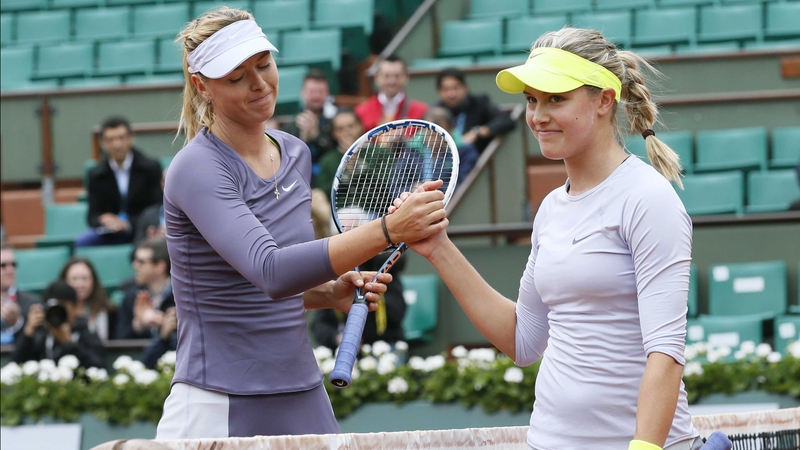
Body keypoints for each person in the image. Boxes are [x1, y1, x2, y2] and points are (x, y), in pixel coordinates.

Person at [393, 28, 700, 450]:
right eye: (531, 100)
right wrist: (438, 249)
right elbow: (523, 339)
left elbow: (665, 354)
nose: (537, 116)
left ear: (603, 101)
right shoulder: (552, 208)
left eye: (556, 99)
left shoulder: (648, 199)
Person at [156, 7, 447, 439]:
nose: (258, 84)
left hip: (302, 392)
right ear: (202, 87)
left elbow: (267, 285)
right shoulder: (195, 168)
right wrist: (388, 230)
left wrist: (328, 293)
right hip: (216, 398)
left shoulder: (296, 153)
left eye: (264, 65)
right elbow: (271, 271)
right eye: (236, 77)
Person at [75, 116, 163, 248]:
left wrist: (127, 224)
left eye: (121, 138)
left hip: (142, 230)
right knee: (82, 243)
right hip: (110, 233)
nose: (117, 144)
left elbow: (157, 207)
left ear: (131, 138)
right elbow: (92, 215)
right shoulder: (95, 174)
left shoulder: (151, 168)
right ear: (102, 143)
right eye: (111, 139)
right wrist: (103, 219)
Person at [312, 255, 407, 353]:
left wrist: (370, 294)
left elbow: (398, 314)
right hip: (346, 351)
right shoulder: (336, 279)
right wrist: (336, 337)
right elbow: (318, 325)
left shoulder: (385, 274)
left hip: (386, 347)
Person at [11, 280, 105, 369]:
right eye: (53, 309)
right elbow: (15, 366)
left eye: (62, 306)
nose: (57, 313)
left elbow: (97, 369)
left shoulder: (87, 334)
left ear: (75, 307)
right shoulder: (42, 337)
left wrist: (70, 345)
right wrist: (28, 332)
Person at [435, 67, 516, 153]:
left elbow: (506, 120)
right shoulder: (436, 111)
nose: (451, 94)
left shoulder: (479, 103)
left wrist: (477, 132)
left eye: (455, 88)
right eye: (446, 89)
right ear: (439, 92)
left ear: (465, 88)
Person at [281, 68, 338, 179]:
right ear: (303, 93)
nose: (316, 97)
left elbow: (336, 156)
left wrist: (317, 136)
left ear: (327, 94)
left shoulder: (335, 123)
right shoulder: (289, 127)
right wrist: (303, 139)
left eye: (321, 92)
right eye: (311, 92)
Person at [116, 237, 174, 340]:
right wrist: (139, 325)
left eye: (141, 262)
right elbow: (120, 344)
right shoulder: (131, 298)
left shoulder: (181, 298)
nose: (134, 265)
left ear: (160, 266)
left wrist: (166, 326)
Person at [355, 55, 428, 131]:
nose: (392, 81)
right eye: (386, 76)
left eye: (397, 76)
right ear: (376, 78)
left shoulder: (421, 112)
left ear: (406, 77)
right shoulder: (361, 112)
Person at [58, 257, 117, 341]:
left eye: (85, 278)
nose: (80, 284)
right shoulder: (56, 311)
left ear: (93, 281)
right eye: (74, 279)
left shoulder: (109, 311)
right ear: (65, 282)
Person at [423, 106, 480, 187]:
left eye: (439, 132)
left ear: (450, 129)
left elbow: (464, 187)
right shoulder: (412, 150)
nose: (435, 137)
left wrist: (432, 192)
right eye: (430, 133)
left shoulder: (465, 152)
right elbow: (400, 183)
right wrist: (412, 189)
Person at [0, 244, 42, 344]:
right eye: (3, 265)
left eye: (13, 265)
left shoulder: (32, 303)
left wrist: (17, 323)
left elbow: (38, 346)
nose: (10, 270)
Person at [133, 168, 168, 245]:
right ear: (161, 183)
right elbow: (135, 249)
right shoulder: (148, 215)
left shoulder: (194, 213)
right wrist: (151, 241)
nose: (170, 185)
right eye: (166, 180)